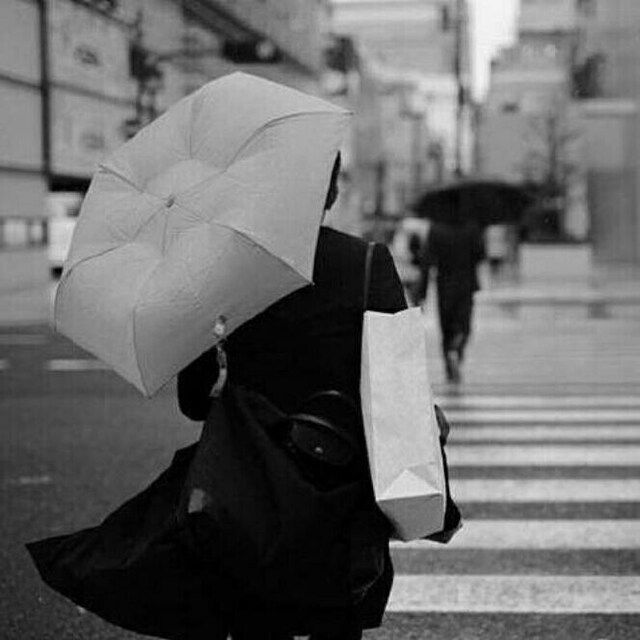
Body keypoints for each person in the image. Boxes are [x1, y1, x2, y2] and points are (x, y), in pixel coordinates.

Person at [177, 153, 408, 640]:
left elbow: (193, 401)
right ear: (331, 193)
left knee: (256, 619)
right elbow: (398, 388)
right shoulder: (368, 263)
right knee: (337, 619)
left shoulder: (227, 271)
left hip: (250, 489)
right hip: (342, 486)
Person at [418, 219, 485, 383]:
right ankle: (457, 348)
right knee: (464, 325)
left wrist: (422, 293)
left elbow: (427, 261)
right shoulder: (471, 227)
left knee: (446, 327)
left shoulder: (436, 229)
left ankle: (449, 363)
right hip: (466, 283)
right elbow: (480, 254)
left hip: (444, 284)